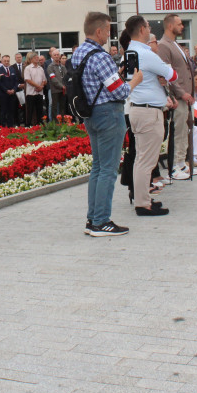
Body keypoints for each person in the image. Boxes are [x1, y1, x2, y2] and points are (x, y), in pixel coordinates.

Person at [72, 12, 135, 236]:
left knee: (98, 168)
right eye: (108, 30)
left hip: (91, 114)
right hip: (109, 113)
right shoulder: (101, 56)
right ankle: (101, 221)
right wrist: (134, 81)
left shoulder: (79, 53)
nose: (109, 34)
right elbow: (119, 90)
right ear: (99, 31)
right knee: (108, 170)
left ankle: (93, 219)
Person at [122, 15, 175, 217]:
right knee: (146, 160)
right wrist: (163, 73)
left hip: (139, 108)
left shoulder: (131, 51)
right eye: (148, 26)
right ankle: (143, 203)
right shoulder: (146, 53)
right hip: (147, 110)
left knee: (142, 159)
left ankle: (143, 199)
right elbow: (172, 75)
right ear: (142, 30)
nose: (150, 29)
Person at [157, 14, 195, 179]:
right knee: (177, 130)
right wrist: (181, 92)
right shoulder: (164, 45)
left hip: (186, 95)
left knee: (184, 130)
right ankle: (174, 166)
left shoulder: (175, 44)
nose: (182, 27)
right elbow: (167, 74)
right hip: (177, 96)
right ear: (170, 26)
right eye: (179, 24)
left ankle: (181, 162)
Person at [23, 52, 47, 126]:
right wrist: (38, 86)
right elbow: (28, 80)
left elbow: (44, 80)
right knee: (30, 110)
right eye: (35, 58)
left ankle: (39, 125)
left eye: (37, 57)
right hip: (31, 93)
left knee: (40, 110)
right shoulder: (28, 68)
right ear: (31, 59)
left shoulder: (41, 68)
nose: (37, 59)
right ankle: (28, 125)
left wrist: (41, 86)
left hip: (39, 92)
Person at [0, 54, 19, 127]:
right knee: (3, 110)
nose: (6, 62)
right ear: (2, 61)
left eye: (8, 61)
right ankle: (3, 125)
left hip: (12, 93)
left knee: (11, 110)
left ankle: (10, 125)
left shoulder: (12, 69)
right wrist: (6, 90)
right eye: (5, 61)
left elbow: (16, 81)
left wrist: (14, 89)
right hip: (3, 94)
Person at [46, 50, 67, 119]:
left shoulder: (63, 66)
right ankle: (54, 123)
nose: (56, 56)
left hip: (63, 90)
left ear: (60, 56)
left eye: (58, 54)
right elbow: (53, 79)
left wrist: (66, 85)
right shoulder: (50, 67)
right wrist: (62, 86)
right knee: (54, 107)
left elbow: (66, 76)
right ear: (52, 56)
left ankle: (62, 121)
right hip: (55, 90)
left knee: (62, 106)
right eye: (55, 55)